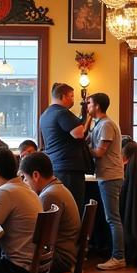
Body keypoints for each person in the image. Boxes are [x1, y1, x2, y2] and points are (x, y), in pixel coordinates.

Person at [19, 150, 80, 273]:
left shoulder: (49, 196)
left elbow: (38, 234)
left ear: (36, 175)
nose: (25, 183)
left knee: (14, 261)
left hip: (59, 258)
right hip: (64, 254)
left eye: (25, 178)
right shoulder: (56, 188)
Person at [87, 92, 126, 271]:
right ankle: (117, 255)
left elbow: (100, 152)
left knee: (113, 218)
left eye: (89, 104)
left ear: (97, 106)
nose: (87, 106)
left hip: (110, 176)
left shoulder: (107, 124)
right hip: (106, 175)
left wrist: (84, 149)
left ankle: (118, 257)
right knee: (112, 218)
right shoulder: (99, 124)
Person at [38, 82, 89, 216]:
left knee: (61, 208)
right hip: (69, 167)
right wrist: (87, 117)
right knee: (74, 209)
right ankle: (74, 237)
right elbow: (79, 133)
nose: (73, 100)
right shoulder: (62, 113)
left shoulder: (45, 114)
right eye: (71, 96)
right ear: (64, 96)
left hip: (55, 166)